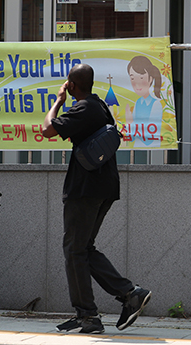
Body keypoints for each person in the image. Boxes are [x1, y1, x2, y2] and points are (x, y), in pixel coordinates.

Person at [42, 63, 151, 334]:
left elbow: (47, 130)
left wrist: (57, 101)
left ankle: (89, 315)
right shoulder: (100, 105)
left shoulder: (82, 108)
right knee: (84, 248)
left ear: (72, 84)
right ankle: (128, 295)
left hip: (85, 189)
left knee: (74, 249)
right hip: (104, 187)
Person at [125, 55, 164, 147]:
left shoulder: (156, 104)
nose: (137, 83)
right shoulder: (138, 102)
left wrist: (130, 122)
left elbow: (149, 138)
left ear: (150, 79)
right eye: (133, 78)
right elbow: (132, 137)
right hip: (137, 148)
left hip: (151, 149)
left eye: (141, 78)